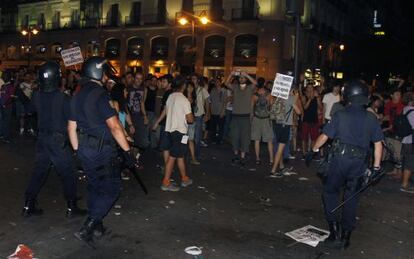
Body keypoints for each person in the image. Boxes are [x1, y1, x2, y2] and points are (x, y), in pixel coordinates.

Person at [68, 57, 137, 245]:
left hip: (84, 149)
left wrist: (77, 152)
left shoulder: (77, 94)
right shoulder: (100, 94)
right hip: (101, 151)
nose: (107, 76)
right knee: (112, 189)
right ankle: (88, 226)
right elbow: (115, 126)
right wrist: (128, 151)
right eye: (105, 72)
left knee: (94, 187)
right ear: (97, 72)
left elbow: (71, 127)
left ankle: (97, 226)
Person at [310, 80, 384, 249]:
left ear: (348, 95)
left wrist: (314, 149)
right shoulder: (371, 118)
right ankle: (346, 237)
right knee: (351, 198)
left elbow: (325, 136)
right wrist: (376, 168)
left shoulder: (340, 115)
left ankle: (334, 232)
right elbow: (378, 143)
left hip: (339, 161)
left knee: (330, 193)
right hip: (359, 163)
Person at [22, 61, 87, 218]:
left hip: (42, 139)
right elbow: (73, 119)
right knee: (68, 173)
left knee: (39, 172)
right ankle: (72, 207)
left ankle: (28, 205)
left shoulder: (37, 95)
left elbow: (29, 111)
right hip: (57, 141)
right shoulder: (63, 98)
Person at [160, 76, 194, 191]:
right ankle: (166, 182)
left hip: (170, 130)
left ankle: (184, 178)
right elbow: (190, 120)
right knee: (173, 156)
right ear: (183, 86)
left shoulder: (170, 96)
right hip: (180, 132)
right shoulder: (184, 100)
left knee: (180, 155)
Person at [225, 71, 257, 166]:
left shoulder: (249, 88)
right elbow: (226, 83)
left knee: (245, 138)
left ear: (246, 79)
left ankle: (242, 157)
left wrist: (246, 74)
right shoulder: (235, 88)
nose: (241, 79)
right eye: (240, 78)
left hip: (245, 117)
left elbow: (255, 83)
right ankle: (236, 156)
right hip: (235, 117)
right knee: (235, 137)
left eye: (243, 78)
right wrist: (231, 74)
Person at [270, 89, 301, 177]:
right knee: (280, 148)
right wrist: (296, 97)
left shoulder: (278, 97)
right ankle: (273, 171)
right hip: (285, 125)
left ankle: (281, 166)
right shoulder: (290, 99)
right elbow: (299, 112)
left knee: (280, 146)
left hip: (277, 124)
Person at [251, 81, 273, 165]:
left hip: (257, 118)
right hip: (266, 119)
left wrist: (251, 119)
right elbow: (271, 107)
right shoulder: (269, 94)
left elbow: (251, 108)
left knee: (256, 140)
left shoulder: (254, 95)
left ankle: (257, 159)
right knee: (269, 140)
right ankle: (271, 160)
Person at [127, 72, 149, 149]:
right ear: (134, 79)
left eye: (140, 79)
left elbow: (142, 102)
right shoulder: (128, 89)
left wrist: (145, 116)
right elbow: (125, 105)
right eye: (137, 78)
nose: (139, 80)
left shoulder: (143, 89)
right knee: (130, 138)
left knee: (142, 140)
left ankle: (137, 155)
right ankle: (131, 156)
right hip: (130, 116)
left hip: (139, 116)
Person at [191, 74, 210, 159]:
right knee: (188, 136)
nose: (193, 80)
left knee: (197, 136)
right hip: (190, 115)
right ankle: (189, 152)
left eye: (194, 78)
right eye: (192, 78)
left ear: (198, 80)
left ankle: (197, 154)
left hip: (199, 115)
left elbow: (207, 102)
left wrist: (207, 114)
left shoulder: (202, 89)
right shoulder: (189, 89)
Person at [301, 85, 322, 157]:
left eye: (311, 88)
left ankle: (312, 153)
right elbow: (305, 107)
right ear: (306, 89)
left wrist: (318, 98)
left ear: (313, 89)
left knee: (314, 138)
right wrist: (310, 99)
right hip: (306, 120)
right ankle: (304, 153)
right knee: (304, 138)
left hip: (314, 120)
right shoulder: (304, 97)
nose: (310, 89)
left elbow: (320, 107)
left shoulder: (317, 97)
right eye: (308, 88)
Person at [400, 92, 414, 193]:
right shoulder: (412, 111)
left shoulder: (404, 109)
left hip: (406, 140)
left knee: (407, 161)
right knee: (410, 162)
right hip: (411, 141)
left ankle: (405, 182)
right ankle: (404, 185)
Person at [209, 79, 227, 144]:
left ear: (220, 83)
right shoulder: (212, 90)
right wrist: (210, 110)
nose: (216, 83)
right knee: (213, 127)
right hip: (213, 111)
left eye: (218, 82)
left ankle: (220, 139)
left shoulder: (224, 91)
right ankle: (213, 140)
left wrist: (223, 111)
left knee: (221, 127)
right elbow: (210, 101)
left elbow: (225, 102)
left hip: (221, 112)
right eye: (215, 82)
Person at [0, 71, 15, 143]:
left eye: (4, 76)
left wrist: (4, 104)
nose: (3, 77)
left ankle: (5, 136)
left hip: (7, 106)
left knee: (6, 121)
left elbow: (10, 98)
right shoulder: (4, 86)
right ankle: (4, 135)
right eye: (3, 76)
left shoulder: (10, 87)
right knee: (3, 121)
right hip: (3, 106)